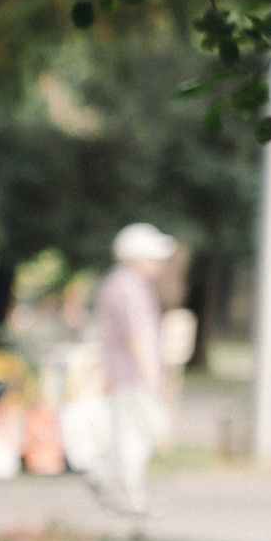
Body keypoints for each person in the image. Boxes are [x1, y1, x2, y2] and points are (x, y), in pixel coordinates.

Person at [90, 221, 178, 518]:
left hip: (121, 373)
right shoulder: (131, 288)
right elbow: (137, 336)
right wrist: (153, 378)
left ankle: (106, 478)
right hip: (134, 375)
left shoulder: (116, 284)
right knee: (139, 435)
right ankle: (126, 492)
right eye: (154, 256)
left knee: (130, 433)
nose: (159, 262)